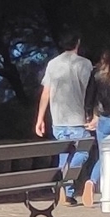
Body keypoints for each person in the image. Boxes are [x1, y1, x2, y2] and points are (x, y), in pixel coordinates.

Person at [35, 34, 97, 205]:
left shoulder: (52, 64)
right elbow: (92, 90)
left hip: (58, 119)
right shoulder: (84, 64)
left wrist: (40, 118)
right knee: (82, 152)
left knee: (64, 154)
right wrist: (93, 114)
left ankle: (65, 191)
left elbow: (46, 92)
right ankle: (64, 181)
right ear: (78, 43)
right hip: (77, 118)